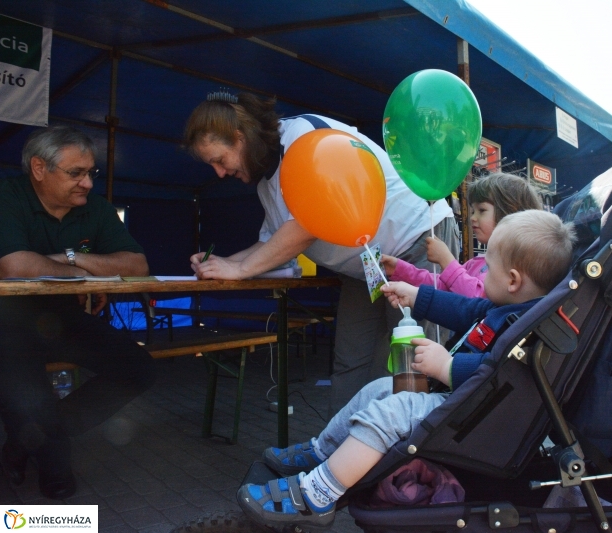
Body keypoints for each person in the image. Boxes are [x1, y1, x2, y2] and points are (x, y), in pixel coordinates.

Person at [236, 210, 575, 531]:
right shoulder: (506, 308)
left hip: (472, 417)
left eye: (488, 268)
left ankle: (319, 494)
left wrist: (448, 366)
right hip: (461, 403)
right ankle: (322, 451)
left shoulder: (529, 328)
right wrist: (415, 295)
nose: (482, 274)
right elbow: (464, 308)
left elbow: (507, 375)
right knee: (381, 387)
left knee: (390, 414)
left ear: (514, 280)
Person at [183, 93, 459, 416]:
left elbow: (306, 225)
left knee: (406, 364)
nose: (218, 173)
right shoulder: (264, 186)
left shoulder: (304, 137)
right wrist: (223, 264)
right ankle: (335, 451)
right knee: (349, 360)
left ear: (239, 138)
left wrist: (240, 269)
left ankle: (393, 459)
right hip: (366, 265)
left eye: (219, 159)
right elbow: (273, 243)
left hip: (417, 240)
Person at [0, 126, 156, 499]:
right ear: (39, 168)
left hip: (63, 318)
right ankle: (47, 459)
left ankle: (18, 447)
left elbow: (137, 265)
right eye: (76, 173)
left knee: (139, 368)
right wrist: (85, 274)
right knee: (56, 475)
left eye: (91, 173)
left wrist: (70, 258)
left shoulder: (95, 209)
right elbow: (15, 267)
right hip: (5, 322)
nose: (87, 183)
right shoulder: (6, 196)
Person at [381, 172, 542, 297]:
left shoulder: (512, 266)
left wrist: (447, 260)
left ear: (510, 213)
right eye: (473, 211)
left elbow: (477, 297)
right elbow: (444, 285)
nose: (473, 217)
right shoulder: (479, 262)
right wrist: (400, 269)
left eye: (482, 210)